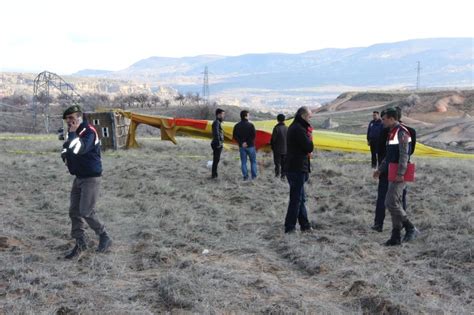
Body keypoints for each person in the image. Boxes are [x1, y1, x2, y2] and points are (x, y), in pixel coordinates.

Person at [61, 105, 112, 259]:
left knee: (86, 211)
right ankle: (80, 242)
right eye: (67, 119)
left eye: (71, 118)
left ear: (79, 117)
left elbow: (78, 149)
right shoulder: (73, 133)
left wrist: (71, 136)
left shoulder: (88, 132)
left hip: (91, 177)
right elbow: (66, 149)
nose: (69, 121)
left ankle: (104, 236)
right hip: (78, 177)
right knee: (74, 211)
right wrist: (65, 156)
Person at [373, 108, 419, 246]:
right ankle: (395, 236)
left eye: (385, 119)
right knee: (395, 203)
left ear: (392, 119)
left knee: (390, 202)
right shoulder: (391, 132)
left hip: (399, 173)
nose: (382, 121)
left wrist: (400, 173)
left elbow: (405, 155)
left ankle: (410, 227)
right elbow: (389, 155)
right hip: (392, 171)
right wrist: (380, 170)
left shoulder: (402, 132)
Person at [284, 106, 314, 233]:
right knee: (296, 199)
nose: (310, 119)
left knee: (300, 198)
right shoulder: (299, 129)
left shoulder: (295, 126)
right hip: (297, 167)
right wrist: (310, 136)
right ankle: (289, 227)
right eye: (309, 117)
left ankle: (305, 225)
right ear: (303, 116)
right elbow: (309, 147)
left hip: (294, 166)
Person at [232, 110, 257, 180]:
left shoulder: (237, 126)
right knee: (253, 162)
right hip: (251, 146)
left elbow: (234, 136)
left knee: (243, 162)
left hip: (242, 147)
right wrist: (248, 143)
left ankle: (245, 176)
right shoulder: (251, 125)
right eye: (248, 115)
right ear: (246, 116)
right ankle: (254, 177)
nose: (249, 116)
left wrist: (241, 143)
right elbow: (253, 136)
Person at [271, 114, 288, 179]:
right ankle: (283, 176)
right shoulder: (287, 128)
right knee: (284, 164)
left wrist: (272, 147)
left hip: (277, 149)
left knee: (277, 163)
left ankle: (277, 175)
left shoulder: (276, 128)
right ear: (284, 120)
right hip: (286, 149)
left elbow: (273, 139)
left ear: (277, 120)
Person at [210, 108, 225, 179]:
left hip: (216, 143)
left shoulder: (217, 122)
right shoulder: (216, 122)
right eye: (222, 114)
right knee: (216, 159)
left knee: (216, 160)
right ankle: (214, 175)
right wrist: (219, 143)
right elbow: (216, 134)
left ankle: (214, 174)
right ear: (219, 114)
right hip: (217, 144)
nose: (223, 116)